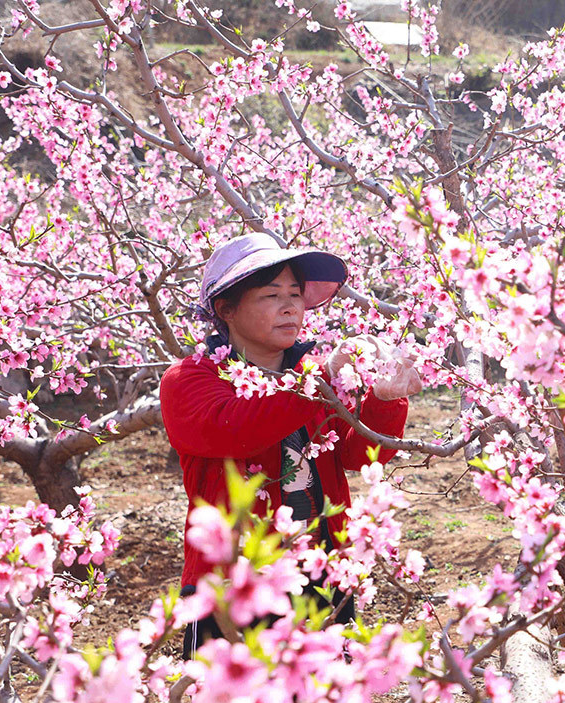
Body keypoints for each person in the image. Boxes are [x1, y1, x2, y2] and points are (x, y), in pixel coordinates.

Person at [160, 232, 421, 657]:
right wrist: (318, 383)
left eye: (296, 294)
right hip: (235, 575)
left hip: (321, 563)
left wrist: (383, 402)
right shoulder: (190, 379)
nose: (290, 307)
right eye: (270, 295)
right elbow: (239, 428)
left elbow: (355, 455)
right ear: (226, 309)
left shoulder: (314, 374)